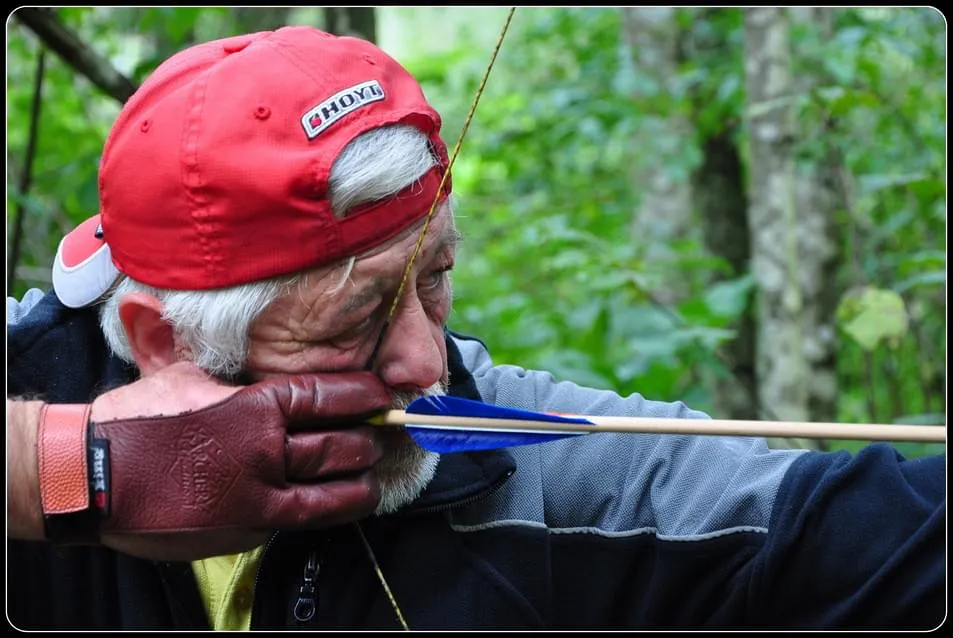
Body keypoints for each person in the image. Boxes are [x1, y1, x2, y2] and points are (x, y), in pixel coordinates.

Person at [6, 25, 945, 631]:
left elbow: (889, 536)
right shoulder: (32, 373)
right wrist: (68, 473)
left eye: (436, 278)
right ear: (163, 340)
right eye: (360, 316)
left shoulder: (523, 464)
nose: (428, 363)